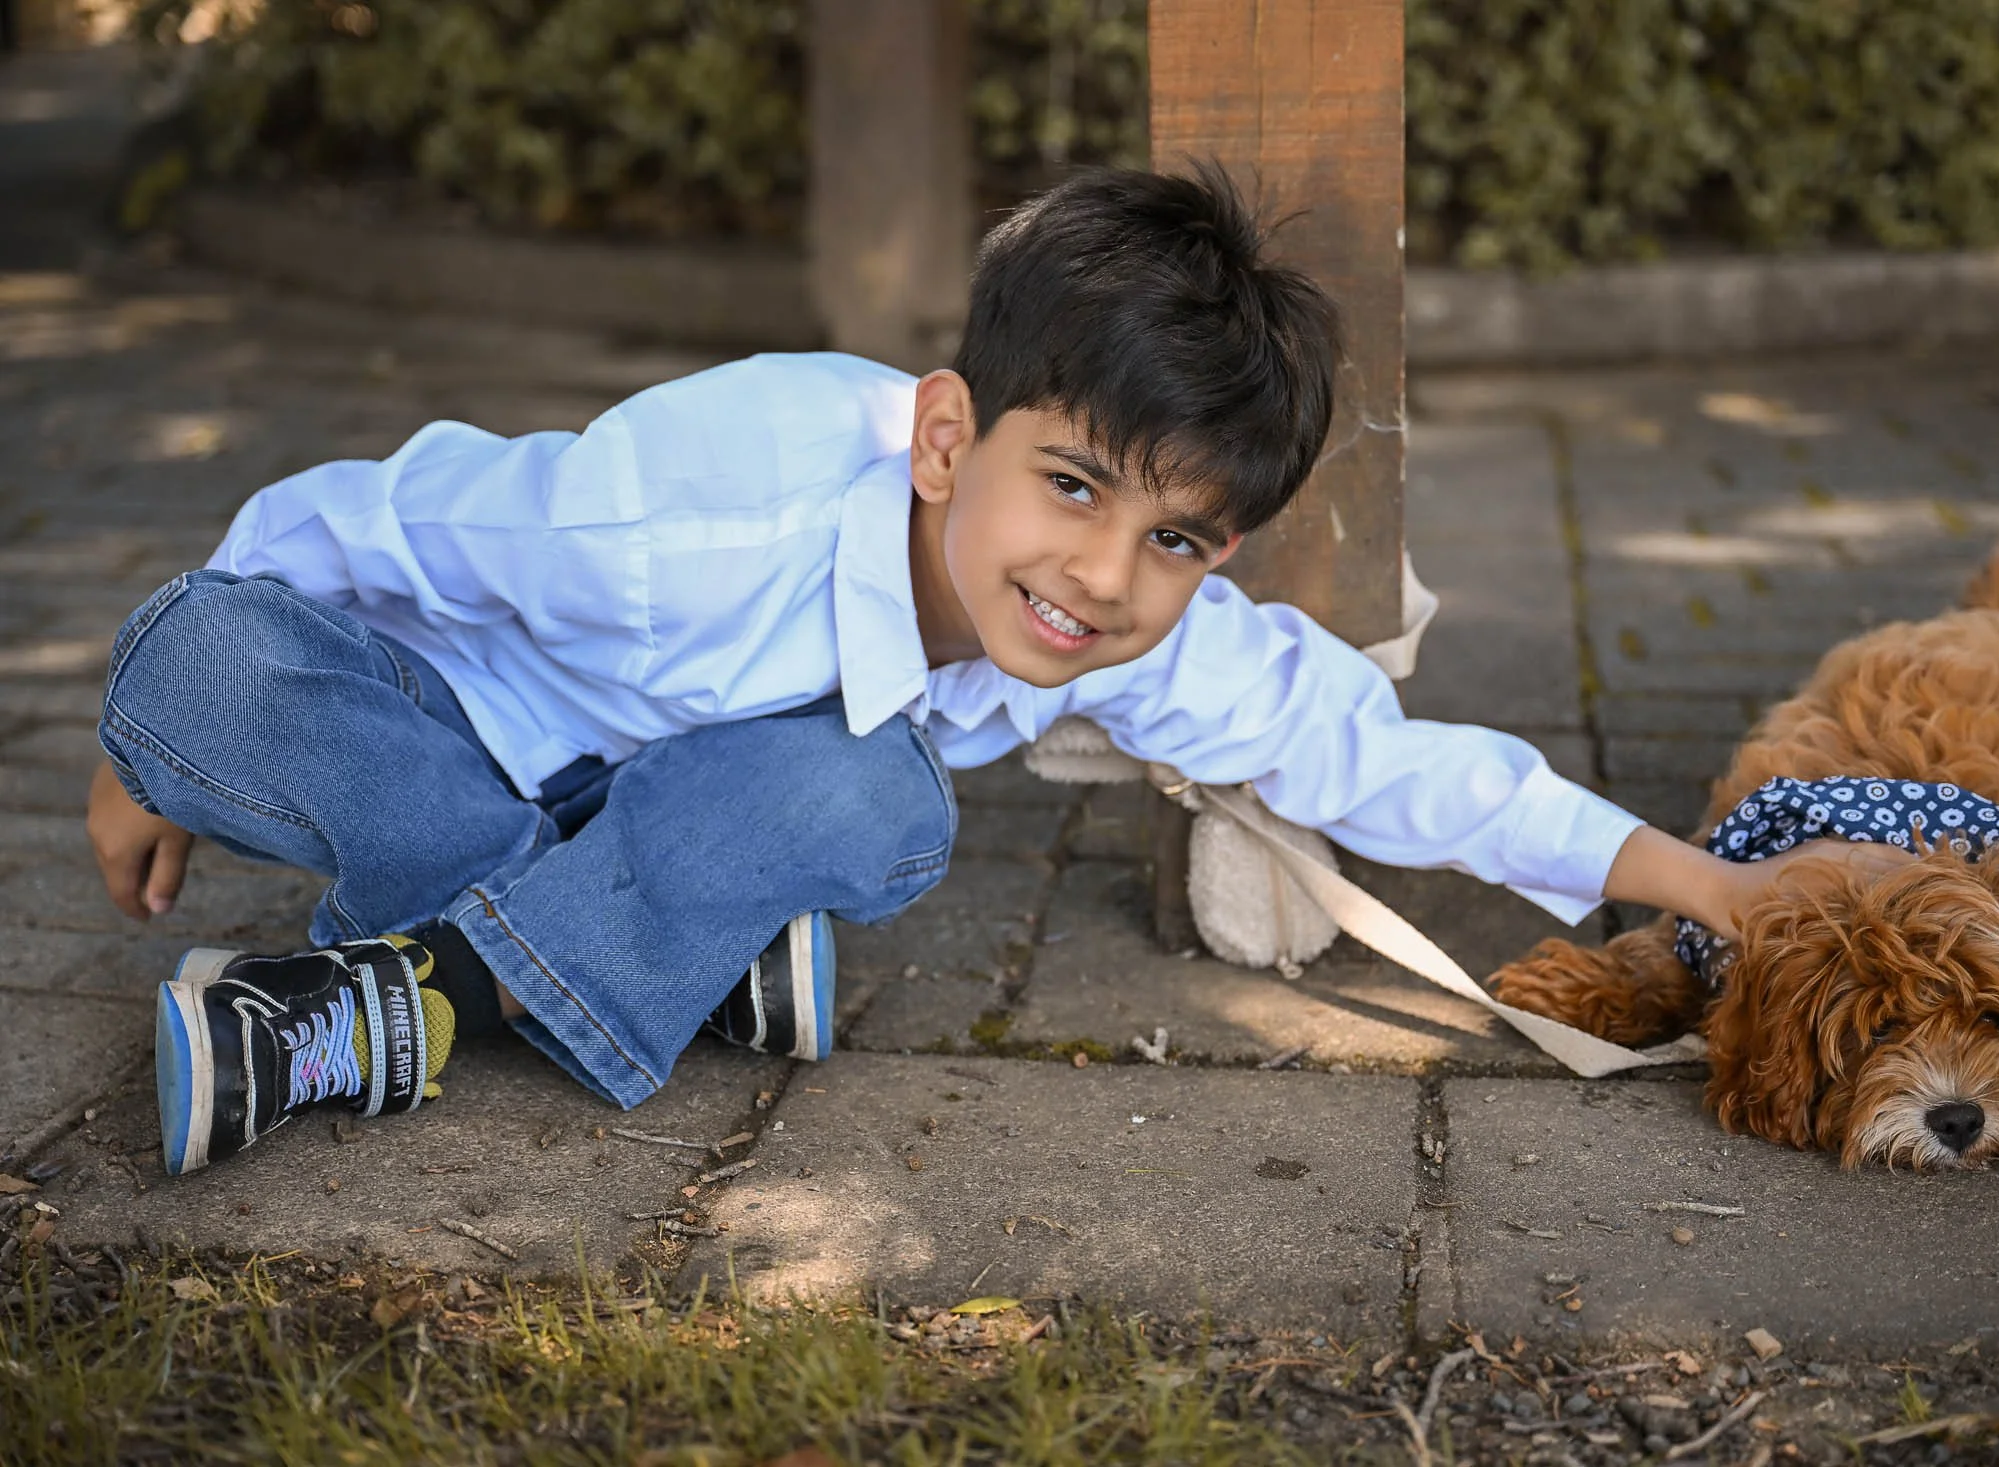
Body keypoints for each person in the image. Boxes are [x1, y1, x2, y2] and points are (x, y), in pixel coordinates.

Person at [86, 164, 1894, 1177]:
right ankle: (654, 944)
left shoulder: (1119, 620)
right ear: (948, 434)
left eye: (1178, 538)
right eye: (1076, 485)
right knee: (197, 669)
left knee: (870, 798)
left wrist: (1709, 880)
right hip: (435, 737)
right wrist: (150, 751)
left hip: (686, 790)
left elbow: (1376, 756)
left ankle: (392, 1008)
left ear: (1224, 550)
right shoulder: (673, 513)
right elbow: (378, 519)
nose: (1104, 578)